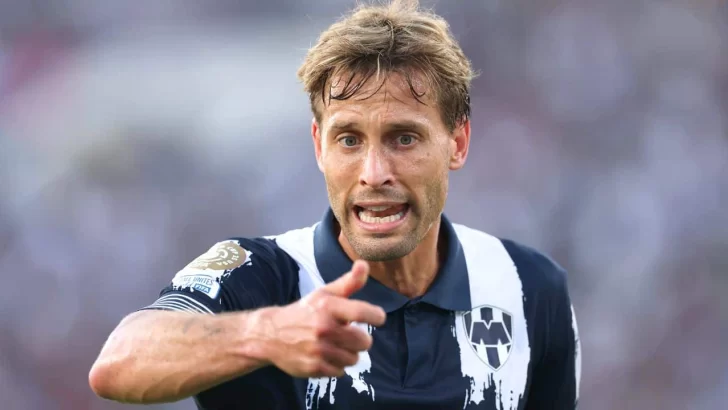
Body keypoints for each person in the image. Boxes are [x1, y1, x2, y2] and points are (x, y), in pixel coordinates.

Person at [89, 1, 581, 409]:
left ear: (458, 142)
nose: (374, 172)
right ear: (318, 146)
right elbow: (118, 362)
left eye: (404, 138)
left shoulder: (531, 288)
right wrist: (265, 334)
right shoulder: (265, 276)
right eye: (349, 139)